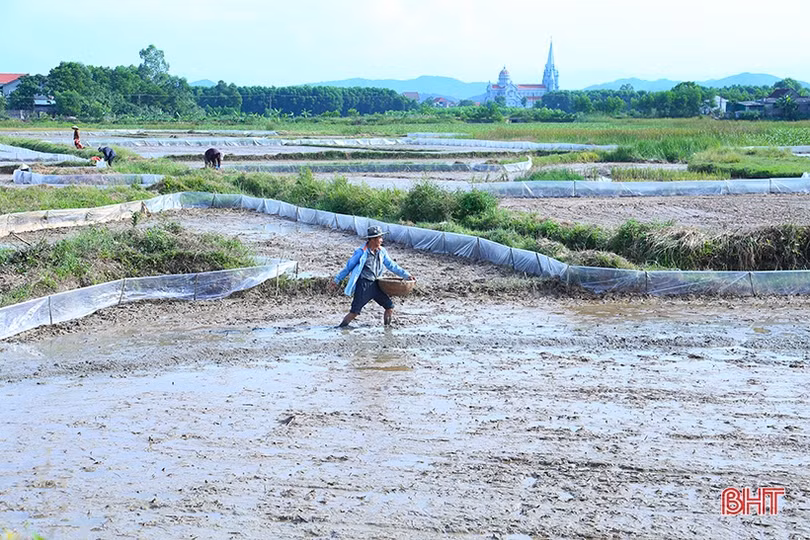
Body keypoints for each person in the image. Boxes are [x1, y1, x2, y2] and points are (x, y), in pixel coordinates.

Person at [330, 226, 415, 327]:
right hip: (364, 285)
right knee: (354, 312)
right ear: (373, 239)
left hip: (377, 284)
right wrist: (336, 280)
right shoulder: (361, 252)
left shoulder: (382, 251)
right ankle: (341, 328)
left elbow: (392, 265)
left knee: (389, 307)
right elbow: (348, 268)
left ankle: (387, 329)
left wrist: (407, 275)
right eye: (380, 238)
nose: (381, 240)